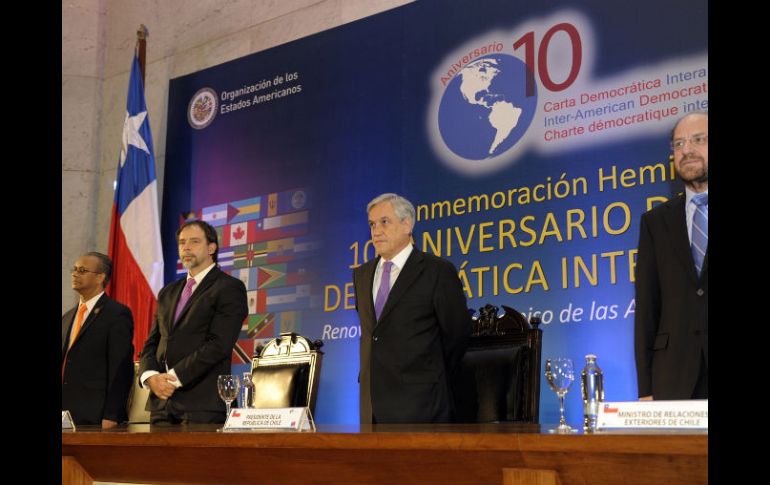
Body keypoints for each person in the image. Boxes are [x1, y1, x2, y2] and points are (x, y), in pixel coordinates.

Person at [353, 193, 471, 424]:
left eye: (384, 222)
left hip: (420, 404)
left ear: (407, 224)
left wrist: (425, 375)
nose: (376, 231)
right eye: (372, 224)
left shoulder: (437, 271)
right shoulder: (362, 274)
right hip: (372, 405)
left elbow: (456, 335)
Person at [138, 220, 248, 424]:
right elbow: (153, 342)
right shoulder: (168, 292)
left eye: (194, 241)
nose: (186, 247)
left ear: (212, 248)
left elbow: (219, 345)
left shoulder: (229, 287)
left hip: (202, 405)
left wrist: (173, 378)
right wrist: (151, 377)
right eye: (181, 243)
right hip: (161, 404)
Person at [634, 112, 708, 400]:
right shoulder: (655, 222)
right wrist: (646, 389)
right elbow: (647, 308)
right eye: (678, 144)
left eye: (698, 140)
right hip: (673, 376)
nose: (686, 150)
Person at [62, 252, 134, 428]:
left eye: (82, 270)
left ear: (100, 277)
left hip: (95, 414)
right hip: (66, 413)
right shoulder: (67, 317)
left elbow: (120, 369)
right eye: (75, 269)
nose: (75, 274)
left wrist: (112, 414)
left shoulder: (116, 314)